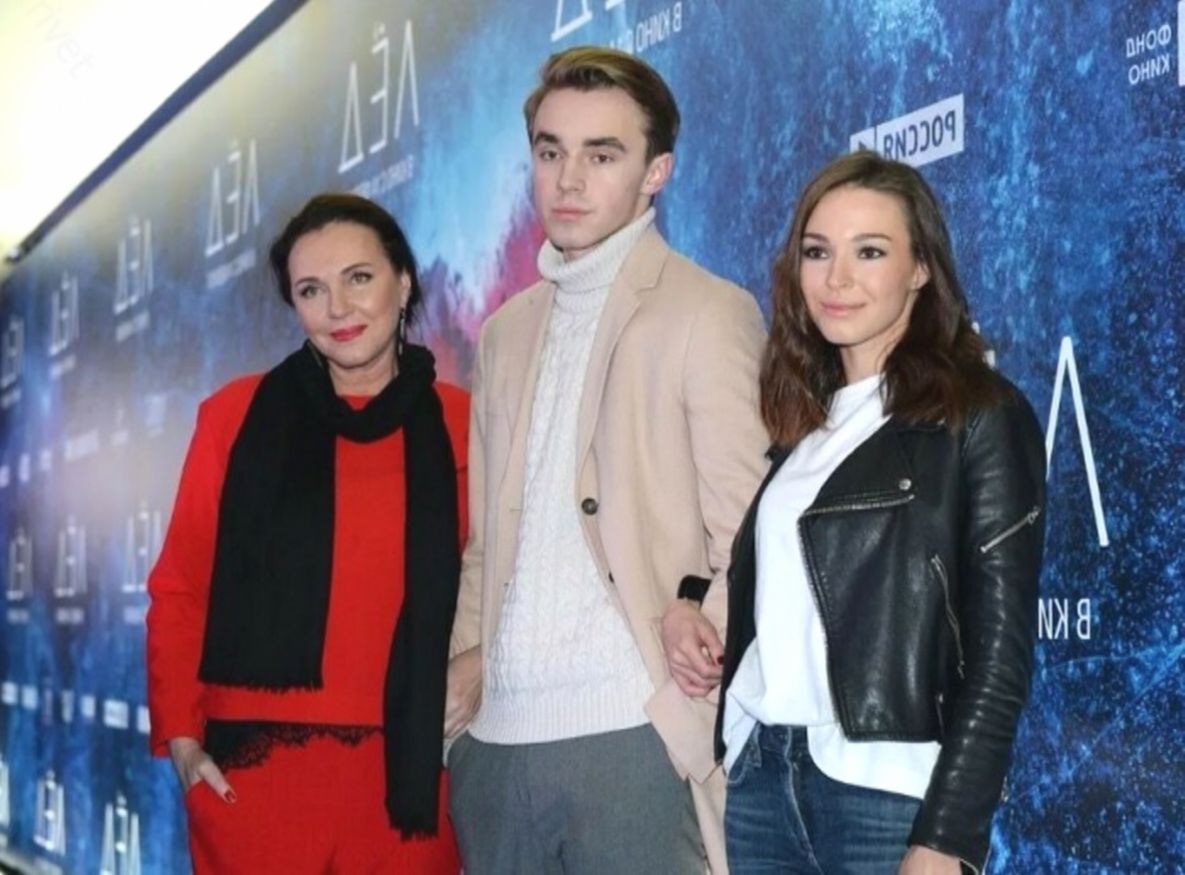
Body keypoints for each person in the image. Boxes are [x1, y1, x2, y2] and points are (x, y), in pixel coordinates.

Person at [444, 46, 768, 873]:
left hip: (633, 739)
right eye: (550, 151)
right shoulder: (503, 333)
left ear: (655, 172)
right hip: (495, 750)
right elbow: (487, 540)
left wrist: (688, 693)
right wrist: (464, 674)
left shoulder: (707, 312)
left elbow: (751, 533)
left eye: (602, 154)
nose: (568, 180)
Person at [703, 151, 1045, 875]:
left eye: (869, 252)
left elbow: (998, 656)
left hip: (885, 793)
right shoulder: (803, 430)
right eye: (817, 252)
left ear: (920, 268)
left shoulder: (978, 414)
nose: (837, 279)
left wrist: (947, 835)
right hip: (763, 781)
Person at [146, 193, 466, 873]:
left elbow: (509, 582)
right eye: (311, 290)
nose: (337, 309)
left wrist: (479, 669)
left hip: (413, 774)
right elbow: (180, 587)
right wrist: (181, 738)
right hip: (255, 779)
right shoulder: (234, 417)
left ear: (404, 281)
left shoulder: (467, 422)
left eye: (359, 278)